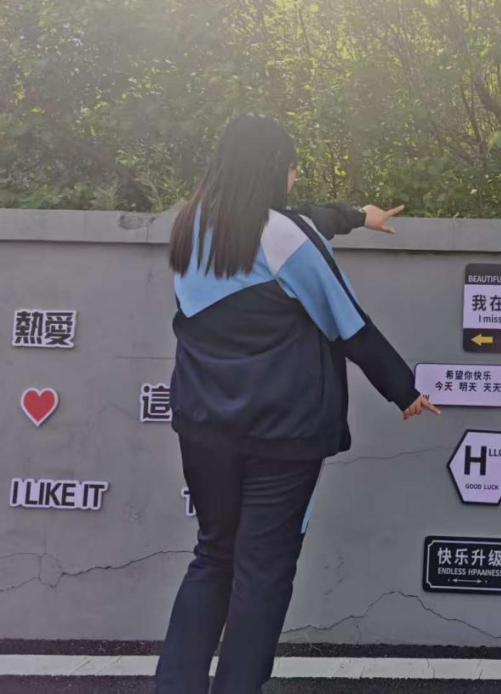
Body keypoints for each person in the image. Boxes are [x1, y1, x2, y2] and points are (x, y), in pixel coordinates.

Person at [155, 113, 439, 694]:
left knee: (213, 557)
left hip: (203, 426)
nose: (292, 179)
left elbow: (304, 220)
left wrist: (358, 216)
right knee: (262, 572)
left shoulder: (190, 225)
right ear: (271, 171)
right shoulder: (283, 237)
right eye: (289, 169)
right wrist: (404, 389)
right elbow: (348, 322)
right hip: (282, 435)